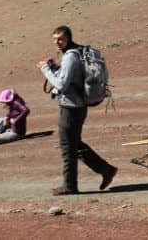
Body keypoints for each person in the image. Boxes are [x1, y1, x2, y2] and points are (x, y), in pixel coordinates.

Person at [38, 25, 117, 195]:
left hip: (71, 107)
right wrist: (54, 68)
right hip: (78, 105)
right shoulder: (77, 52)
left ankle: (70, 185)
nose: (57, 42)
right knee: (74, 143)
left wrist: (45, 70)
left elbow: (61, 84)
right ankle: (106, 170)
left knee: (67, 146)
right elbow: (71, 77)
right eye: (54, 39)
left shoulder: (70, 56)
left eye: (60, 39)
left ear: (68, 38)